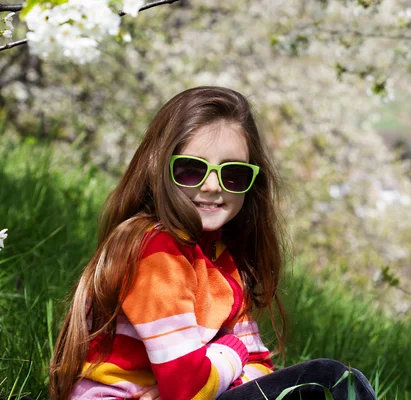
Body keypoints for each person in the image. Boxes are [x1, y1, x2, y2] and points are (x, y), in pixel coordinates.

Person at [49, 86, 376, 400]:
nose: (211, 186)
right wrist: (233, 350)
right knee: (330, 380)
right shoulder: (155, 251)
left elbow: (261, 367)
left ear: (251, 184)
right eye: (191, 169)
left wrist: (214, 369)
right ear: (159, 169)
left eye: (233, 174)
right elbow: (190, 389)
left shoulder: (223, 262)